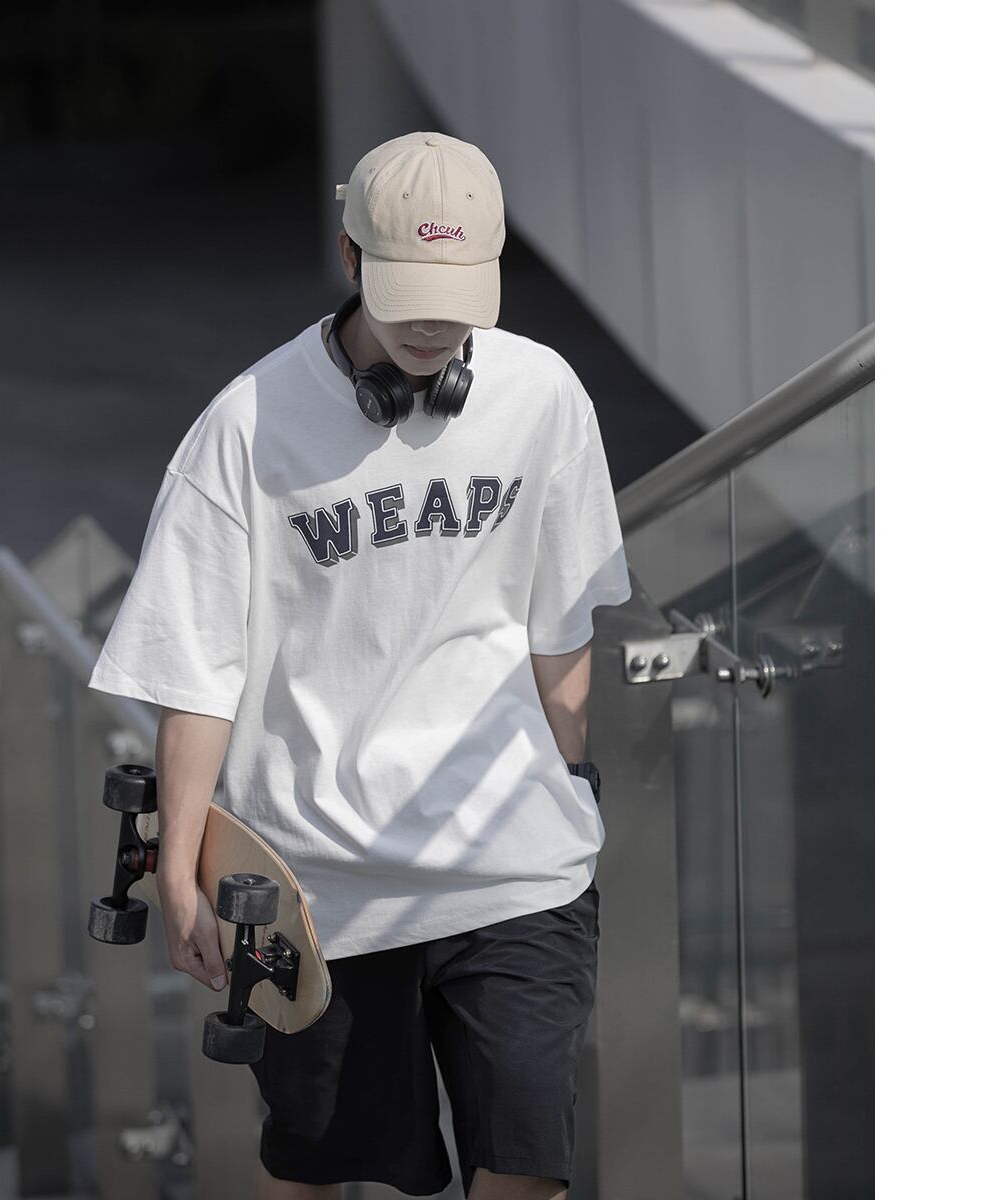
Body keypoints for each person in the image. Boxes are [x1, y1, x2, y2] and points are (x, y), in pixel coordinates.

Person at [88, 131, 633, 1200]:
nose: (433, 325)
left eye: (458, 297)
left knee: (528, 1171)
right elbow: (196, 674)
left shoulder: (545, 396)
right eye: (408, 294)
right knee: (315, 1168)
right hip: (321, 890)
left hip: (516, 867)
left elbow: (561, 628)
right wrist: (185, 873)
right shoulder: (246, 427)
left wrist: (568, 781)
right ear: (349, 256)